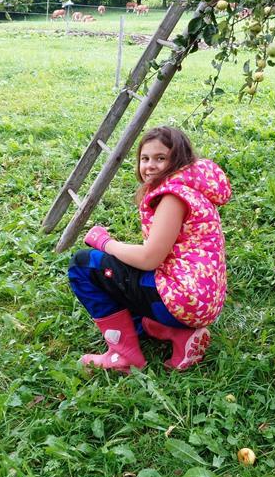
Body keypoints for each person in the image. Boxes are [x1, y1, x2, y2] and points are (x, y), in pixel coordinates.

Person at [68, 126, 231, 372]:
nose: (150, 166)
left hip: (182, 301)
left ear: (178, 160)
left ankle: (124, 355)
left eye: (160, 158)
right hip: (199, 300)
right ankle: (178, 334)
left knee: (84, 264)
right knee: (124, 275)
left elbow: (149, 259)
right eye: (145, 158)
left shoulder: (173, 198)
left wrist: (105, 243)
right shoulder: (192, 190)